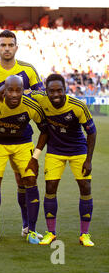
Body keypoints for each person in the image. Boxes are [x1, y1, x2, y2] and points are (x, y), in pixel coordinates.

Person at [0, 29, 44, 239]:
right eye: (3, 45)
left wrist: (19, 92)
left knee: (25, 182)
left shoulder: (28, 70)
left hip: (23, 139)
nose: (7, 48)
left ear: (16, 47)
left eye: (10, 45)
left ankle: (28, 228)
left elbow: (41, 95)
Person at [28, 74, 97, 247]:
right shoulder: (40, 100)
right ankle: (51, 233)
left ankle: (85, 234)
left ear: (65, 90)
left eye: (59, 90)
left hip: (78, 150)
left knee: (85, 187)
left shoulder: (77, 106)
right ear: (46, 91)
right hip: (55, 150)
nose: (56, 94)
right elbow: (21, 93)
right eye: (51, 91)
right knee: (50, 188)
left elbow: (92, 132)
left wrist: (88, 160)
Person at [0, 75, 47, 244]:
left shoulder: (31, 105)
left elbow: (45, 130)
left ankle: (30, 229)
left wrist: (35, 157)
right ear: (4, 90)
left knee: (30, 180)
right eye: (10, 90)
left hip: (23, 144)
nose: (14, 94)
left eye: (19, 90)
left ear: (24, 90)